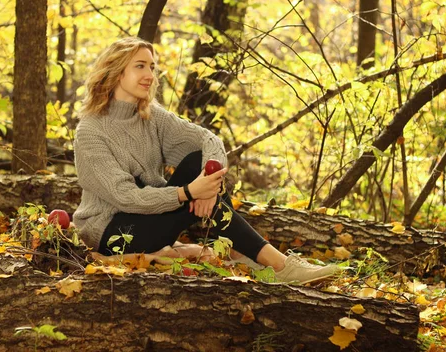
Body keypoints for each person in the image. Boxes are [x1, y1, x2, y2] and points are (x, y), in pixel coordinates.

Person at [72, 37, 341, 284]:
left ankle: (263, 260)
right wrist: (189, 192)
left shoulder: (151, 116)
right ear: (116, 71)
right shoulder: (91, 131)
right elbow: (125, 196)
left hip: (153, 218)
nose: (150, 75)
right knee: (195, 176)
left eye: (152, 67)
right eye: (140, 66)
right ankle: (276, 264)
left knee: (198, 161)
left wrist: (207, 190)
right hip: (113, 234)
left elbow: (209, 141)